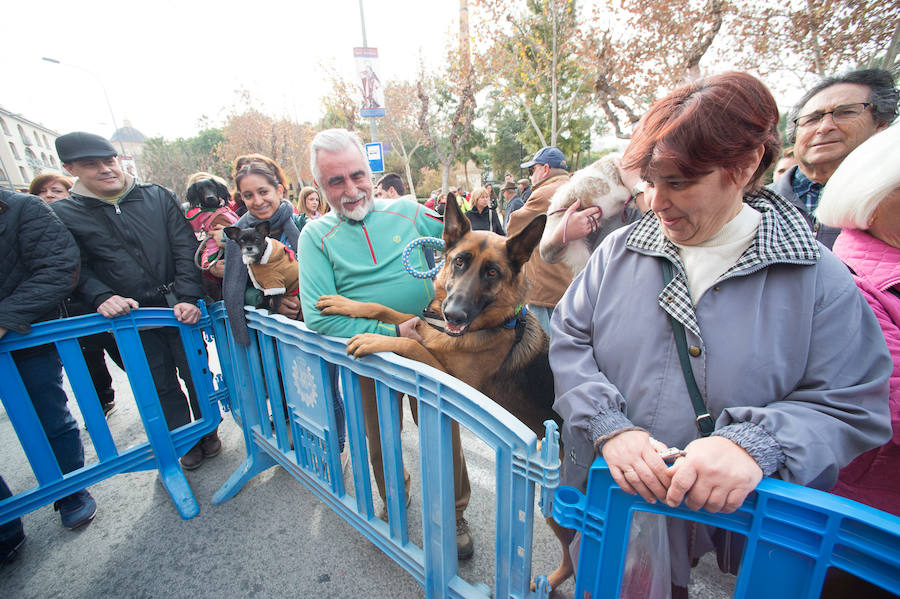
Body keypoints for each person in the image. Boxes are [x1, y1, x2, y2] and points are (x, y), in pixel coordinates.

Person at [549, 72, 892, 597]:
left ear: (745, 165)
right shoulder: (617, 254)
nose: (656, 202)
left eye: (679, 182)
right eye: (648, 182)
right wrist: (608, 424)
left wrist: (758, 443)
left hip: (741, 526)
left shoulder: (817, 277)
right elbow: (570, 338)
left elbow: (850, 401)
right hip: (615, 504)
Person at [298, 128, 475, 560]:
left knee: (442, 434)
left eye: (357, 175)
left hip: (430, 349)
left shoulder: (408, 212)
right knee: (379, 442)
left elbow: (469, 241)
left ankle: (454, 513)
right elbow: (319, 317)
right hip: (371, 359)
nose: (351, 189)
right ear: (319, 188)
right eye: (335, 181)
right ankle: (395, 497)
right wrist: (392, 336)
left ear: (370, 171)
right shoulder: (313, 237)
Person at [51, 132, 219, 471]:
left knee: (196, 372)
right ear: (69, 168)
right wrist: (101, 295)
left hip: (179, 311)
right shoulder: (64, 213)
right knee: (159, 383)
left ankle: (209, 429)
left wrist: (187, 296)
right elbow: (74, 266)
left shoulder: (157, 196)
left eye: (109, 160)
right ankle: (183, 438)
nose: (105, 169)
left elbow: (185, 248)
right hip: (130, 321)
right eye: (91, 164)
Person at [0, 189, 97, 541]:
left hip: (24, 339)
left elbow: (60, 267)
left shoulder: (22, 208)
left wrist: (5, 318)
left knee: (50, 418)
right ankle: (5, 527)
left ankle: (71, 491)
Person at [769, 69, 897, 249]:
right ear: (794, 135)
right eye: (812, 119)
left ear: (881, 125)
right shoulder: (749, 205)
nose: (825, 127)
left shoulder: (892, 205)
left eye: (844, 113)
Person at [506, 146, 573, 334]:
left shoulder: (545, 193)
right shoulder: (574, 187)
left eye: (532, 170)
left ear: (545, 169)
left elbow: (514, 227)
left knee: (544, 345)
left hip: (546, 287)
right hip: (569, 283)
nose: (531, 175)